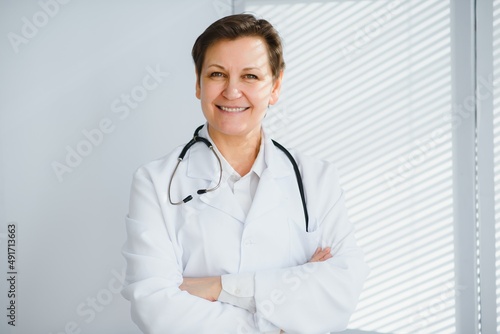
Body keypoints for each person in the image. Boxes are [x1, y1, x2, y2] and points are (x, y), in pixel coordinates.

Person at [121, 13, 369, 334]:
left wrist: (217, 287)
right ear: (198, 84)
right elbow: (155, 307)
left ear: (275, 86)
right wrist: (285, 304)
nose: (232, 91)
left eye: (250, 76)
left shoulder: (316, 179)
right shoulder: (155, 182)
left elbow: (341, 289)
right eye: (217, 74)